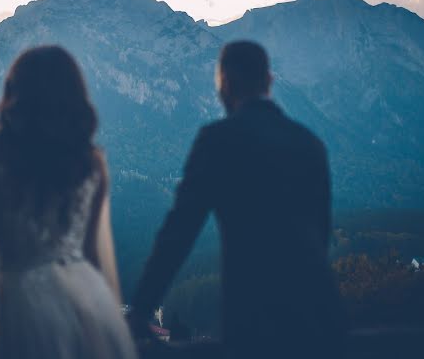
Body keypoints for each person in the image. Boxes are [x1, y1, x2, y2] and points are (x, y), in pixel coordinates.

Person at [129, 41, 345, 358]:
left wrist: (141, 311)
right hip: (324, 320)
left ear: (225, 83)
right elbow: (321, 235)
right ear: (269, 82)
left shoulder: (218, 141)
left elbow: (178, 234)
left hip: (256, 324)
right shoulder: (310, 143)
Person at [0, 46, 138, 359]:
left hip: (22, 301)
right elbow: (92, 254)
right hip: (89, 298)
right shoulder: (90, 161)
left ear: (15, 91)